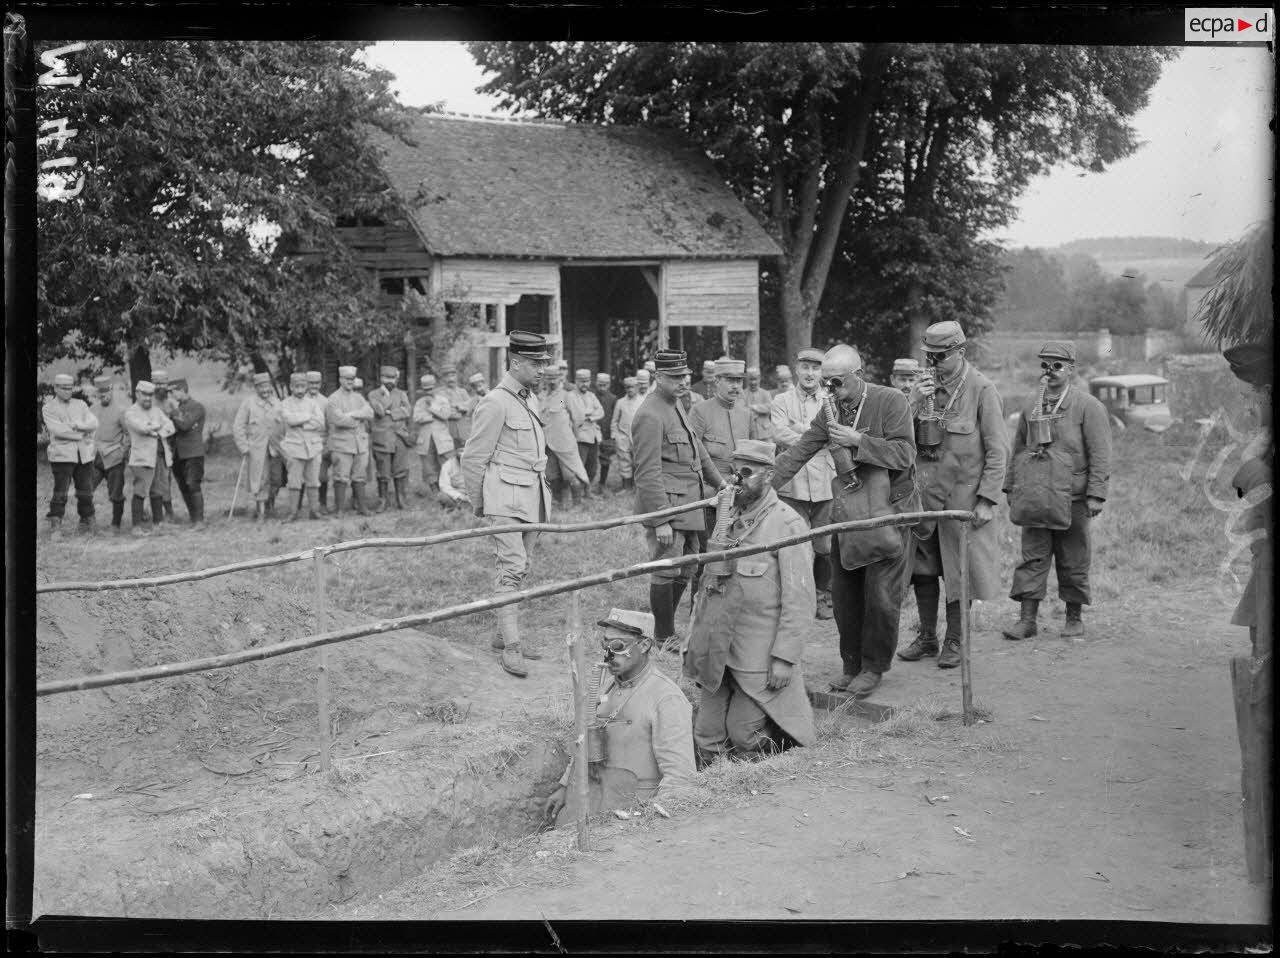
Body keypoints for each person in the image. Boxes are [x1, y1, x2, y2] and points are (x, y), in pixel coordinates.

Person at [771, 344, 918, 698]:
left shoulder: (891, 401)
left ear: (859, 375)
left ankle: (873, 667)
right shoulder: (830, 411)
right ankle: (851, 664)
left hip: (889, 514)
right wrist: (760, 488)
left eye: (837, 383)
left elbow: (905, 453)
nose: (830, 391)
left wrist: (859, 441)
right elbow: (799, 453)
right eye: (826, 384)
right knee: (845, 593)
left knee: (881, 596)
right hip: (850, 514)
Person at [685, 440, 817, 764]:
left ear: (769, 475)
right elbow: (707, 588)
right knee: (706, 734)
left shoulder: (787, 524)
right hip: (719, 651)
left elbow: (800, 599)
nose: (737, 480)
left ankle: (768, 760)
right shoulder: (727, 516)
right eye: (733, 471)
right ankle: (718, 783)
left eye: (747, 472)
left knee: (743, 734)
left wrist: (785, 658)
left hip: (757, 655)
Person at [897, 322, 1008, 669]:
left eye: (940, 356)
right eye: (928, 356)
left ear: (961, 352)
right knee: (923, 569)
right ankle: (927, 637)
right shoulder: (922, 389)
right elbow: (900, 437)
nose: (932, 363)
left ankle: (955, 641)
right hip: (926, 498)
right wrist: (912, 401)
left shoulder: (981, 389)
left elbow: (997, 449)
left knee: (960, 574)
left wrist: (988, 499)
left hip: (963, 501)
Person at [544, 608, 695, 824]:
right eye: (605, 644)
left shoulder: (666, 698)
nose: (608, 654)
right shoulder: (608, 687)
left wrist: (650, 820)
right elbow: (585, 740)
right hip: (596, 798)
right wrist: (565, 786)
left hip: (634, 811)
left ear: (644, 645)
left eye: (617, 646)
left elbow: (681, 777)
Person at [461, 330, 555, 678]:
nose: (542, 369)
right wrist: (481, 504)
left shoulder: (528, 399)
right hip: (503, 498)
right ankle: (513, 647)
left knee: (523, 566)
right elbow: (473, 459)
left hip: (531, 497)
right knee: (512, 566)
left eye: (543, 363)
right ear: (515, 363)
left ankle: (503, 635)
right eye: (535, 363)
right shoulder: (495, 402)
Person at [1002, 341, 1111, 641]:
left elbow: (1101, 453)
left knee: (1073, 555)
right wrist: (1011, 486)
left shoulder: (1089, 407)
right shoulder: (1030, 405)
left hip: (1073, 497)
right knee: (1032, 556)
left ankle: (1073, 617)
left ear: (1072, 370)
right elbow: (1019, 449)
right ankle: (1027, 620)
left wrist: (1096, 493)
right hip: (1035, 496)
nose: (1050, 371)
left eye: (1057, 366)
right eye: (1045, 365)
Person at [630, 349, 724, 653]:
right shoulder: (649, 413)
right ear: (659, 378)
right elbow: (647, 472)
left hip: (690, 504)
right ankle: (663, 633)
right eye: (674, 377)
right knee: (665, 568)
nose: (683, 381)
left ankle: (664, 627)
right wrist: (661, 520)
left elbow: (698, 451)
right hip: (669, 507)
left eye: (685, 375)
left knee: (686, 567)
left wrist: (719, 483)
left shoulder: (677, 405)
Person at [771, 347, 837, 619]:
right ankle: (793, 600)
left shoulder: (831, 400)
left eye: (816, 368)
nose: (810, 373)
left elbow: (835, 435)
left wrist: (799, 429)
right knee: (791, 545)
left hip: (825, 482)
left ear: (822, 372)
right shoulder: (781, 400)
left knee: (825, 546)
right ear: (796, 369)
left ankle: (823, 597)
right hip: (792, 483)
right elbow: (778, 433)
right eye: (805, 367)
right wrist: (813, 436)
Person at [43, 372, 99, 537]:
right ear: (55, 388)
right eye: (64, 388)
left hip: (84, 454)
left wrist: (75, 425)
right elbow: (57, 430)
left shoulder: (80, 404)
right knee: (61, 491)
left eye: (70, 388)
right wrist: (82, 433)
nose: (68, 391)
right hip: (62, 456)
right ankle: (56, 526)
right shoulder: (48, 408)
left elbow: (94, 423)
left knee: (86, 490)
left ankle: (87, 521)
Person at [123, 380, 176, 537]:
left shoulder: (157, 411)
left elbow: (170, 426)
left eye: (150, 395)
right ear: (137, 394)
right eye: (144, 395)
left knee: (157, 491)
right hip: (142, 458)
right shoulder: (131, 412)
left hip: (160, 456)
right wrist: (155, 427)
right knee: (141, 491)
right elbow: (142, 428)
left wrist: (156, 429)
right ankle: (136, 527)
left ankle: (158, 524)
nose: (147, 398)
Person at [326, 365, 376, 518]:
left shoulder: (359, 397)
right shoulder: (333, 399)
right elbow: (338, 420)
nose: (350, 382)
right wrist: (358, 418)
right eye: (347, 379)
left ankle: (362, 507)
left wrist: (352, 414)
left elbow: (370, 413)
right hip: (342, 444)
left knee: (360, 475)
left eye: (352, 379)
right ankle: (340, 509)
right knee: (341, 476)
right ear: (340, 379)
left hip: (360, 444)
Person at [232, 371, 282, 523]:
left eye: (267, 386)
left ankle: (270, 505)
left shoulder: (277, 402)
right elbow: (238, 426)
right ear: (256, 388)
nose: (265, 390)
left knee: (277, 480)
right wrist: (244, 446)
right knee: (260, 480)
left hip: (276, 448)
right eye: (261, 387)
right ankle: (261, 513)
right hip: (257, 449)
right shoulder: (249, 403)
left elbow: (284, 424)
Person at [541, 360, 591, 508]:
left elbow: (578, 418)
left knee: (570, 475)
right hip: (548, 444)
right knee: (551, 474)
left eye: (554, 378)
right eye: (548, 378)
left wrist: (572, 435)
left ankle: (577, 504)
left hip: (565, 443)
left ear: (559, 378)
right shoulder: (543, 396)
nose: (551, 381)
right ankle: (558, 502)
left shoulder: (566, 395)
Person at [279, 372, 327, 521]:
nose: (300, 390)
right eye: (296, 386)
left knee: (313, 481)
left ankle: (315, 511)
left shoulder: (313, 403)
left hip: (313, 448)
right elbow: (290, 420)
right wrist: (308, 417)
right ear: (291, 387)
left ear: (306, 387)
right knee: (294, 482)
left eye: (302, 386)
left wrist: (300, 422)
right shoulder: (285, 403)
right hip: (294, 448)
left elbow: (320, 424)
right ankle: (293, 512)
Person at [369, 365, 413, 510]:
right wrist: (386, 397)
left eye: (392, 378)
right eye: (386, 377)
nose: (389, 381)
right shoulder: (374, 394)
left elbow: (407, 411)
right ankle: (383, 500)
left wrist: (391, 413)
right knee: (383, 471)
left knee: (400, 469)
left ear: (397, 379)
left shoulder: (402, 394)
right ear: (381, 378)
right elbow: (380, 411)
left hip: (400, 437)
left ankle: (401, 499)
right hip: (382, 439)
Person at [90, 374, 129, 534]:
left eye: (106, 392)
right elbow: (88, 432)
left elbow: (129, 435)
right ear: (96, 393)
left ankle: (116, 525)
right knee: (86, 490)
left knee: (116, 493)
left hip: (114, 458)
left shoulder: (121, 411)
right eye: (100, 393)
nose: (103, 395)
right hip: (96, 457)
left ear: (111, 390)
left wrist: (122, 452)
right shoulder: (92, 409)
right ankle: (88, 522)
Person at [166, 379, 208, 528]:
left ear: (183, 390)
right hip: (178, 454)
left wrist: (174, 411)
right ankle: (193, 518)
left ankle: (199, 521)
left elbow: (184, 425)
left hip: (193, 453)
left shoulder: (197, 407)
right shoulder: (179, 408)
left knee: (193, 485)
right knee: (183, 486)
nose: (171, 395)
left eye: (173, 391)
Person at [566, 368, 606, 493]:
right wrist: (588, 414)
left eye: (587, 381)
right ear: (576, 381)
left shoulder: (591, 396)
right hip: (579, 437)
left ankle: (587, 491)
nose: (585, 384)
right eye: (582, 381)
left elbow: (601, 411)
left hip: (593, 436)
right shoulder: (570, 396)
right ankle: (577, 493)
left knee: (592, 467)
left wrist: (590, 416)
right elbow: (575, 415)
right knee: (579, 466)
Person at [413, 373, 452, 496]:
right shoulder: (419, 402)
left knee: (446, 464)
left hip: (442, 439)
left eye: (430, 389)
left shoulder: (442, 400)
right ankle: (436, 493)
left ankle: (448, 491)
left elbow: (445, 415)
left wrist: (431, 407)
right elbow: (416, 417)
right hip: (426, 439)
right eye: (426, 390)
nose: (428, 392)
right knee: (428, 466)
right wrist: (432, 417)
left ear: (435, 387)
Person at [150, 368, 177, 522]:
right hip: (153, 446)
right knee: (158, 480)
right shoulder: (148, 401)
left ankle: (168, 512)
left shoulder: (172, 402)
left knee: (167, 479)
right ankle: (163, 513)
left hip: (170, 446)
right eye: (157, 383)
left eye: (163, 383)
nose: (160, 386)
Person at [305, 371, 332, 514]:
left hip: (320, 444)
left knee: (321, 475)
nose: (313, 386)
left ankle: (322, 504)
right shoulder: (299, 400)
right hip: (302, 443)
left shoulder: (326, 402)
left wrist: (328, 445)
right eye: (311, 383)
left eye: (316, 383)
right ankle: (298, 507)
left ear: (320, 384)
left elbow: (331, 426)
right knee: (300, 477)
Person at [610, 375, 643, 492]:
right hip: (623, 436)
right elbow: (614, 421)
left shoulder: (643, 401)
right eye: (627, 387)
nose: (630, 390)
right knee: (624, 461)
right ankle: (626, 487)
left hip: (639, 436)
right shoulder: (620, 402)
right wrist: (616, 436)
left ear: (637, 387)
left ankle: (638, 487)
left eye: (632, 387)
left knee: (639, 461)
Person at [438, 363, 474, 447]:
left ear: (456, 377)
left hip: (464, 431)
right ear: (443, 378)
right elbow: (441, 412)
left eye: (453, 375)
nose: (451, 379)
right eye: (447, 376)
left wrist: (457, 407)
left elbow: (470, 408)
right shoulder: (439, 393)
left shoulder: (463, 392)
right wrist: (460, 409)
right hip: (448, 431)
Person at [594, 372, 618, 493]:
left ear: (608, 385)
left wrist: (613, 434)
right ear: (596, 383)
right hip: (592, 432)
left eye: (604, 385)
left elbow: (614, 417)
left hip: (607, 432)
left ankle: (602, 483)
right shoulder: (591, 396)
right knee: (592, 459)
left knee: (605, 459)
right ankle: (587, 482)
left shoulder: (613, 398)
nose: (602, 387)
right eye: (600, 385)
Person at [741, 366, 774, 440]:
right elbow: (741, 409)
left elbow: (769, 407)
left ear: (759, 378)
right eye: (750, 379)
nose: (753, 382)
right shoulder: (742, 394)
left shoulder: (765, 393)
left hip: (765, 432)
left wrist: (753, 407)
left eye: (755, 379)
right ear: (746, 379)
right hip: (749, 433)